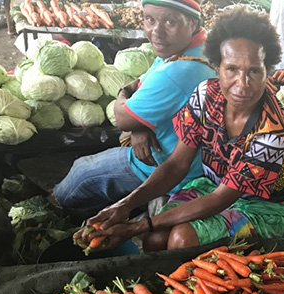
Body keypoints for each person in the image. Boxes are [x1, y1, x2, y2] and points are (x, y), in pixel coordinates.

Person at [74, 6, 284, 252]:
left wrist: (136, 227)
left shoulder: (272, 132)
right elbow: (176, 165)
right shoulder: (205, 96)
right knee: (156, 238)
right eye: (232, 69)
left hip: (262, 208)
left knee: (181, 239)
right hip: (210, 186)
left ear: (268, 71)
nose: (242, 84)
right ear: (217, 67)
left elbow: (219, 200)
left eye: (254, 71)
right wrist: (124, 206)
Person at [52, 0, 215, 218]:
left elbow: (123, 118)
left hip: (165, 165)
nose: (157, 32)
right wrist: (140, 127)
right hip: (189, 156)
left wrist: (128, 106)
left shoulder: (180, 70)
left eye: (170, 22)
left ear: (194, 24)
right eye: (150, 19)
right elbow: (139, 85)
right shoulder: (193, 49)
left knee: (80, 173)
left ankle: (56, 208)